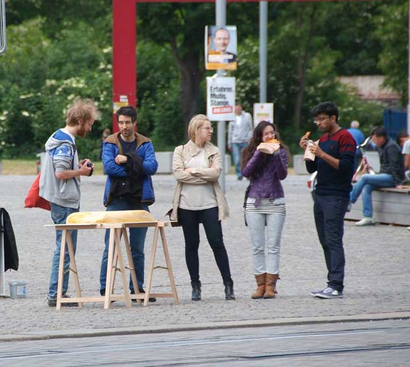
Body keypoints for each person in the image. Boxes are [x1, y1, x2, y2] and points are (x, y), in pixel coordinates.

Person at [39, 98, 99, 307]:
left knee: (65, 248)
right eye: (89, 124)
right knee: (65, 249)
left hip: (61, 200)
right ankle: (56, 294)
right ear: (80, 121)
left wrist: (77, 166)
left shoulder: (60, 138)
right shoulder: (65, 143)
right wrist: (81, 171)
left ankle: (58, 293)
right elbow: (61, 173)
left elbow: (63, 168)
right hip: (64, 202)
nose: (90, 129)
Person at [169, 114, 234, 301]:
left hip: (210, 204)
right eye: (207, 128)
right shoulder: (180, 151)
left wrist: (194, 171)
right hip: (187, 205)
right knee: (191, 245)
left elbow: (215, 174)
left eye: (211, 127)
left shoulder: (214, 151)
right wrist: (204, 174)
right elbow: (179, 175)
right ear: (196, 130)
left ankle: (228, 283)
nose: (211, 131)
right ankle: (195, 285)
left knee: (217, 243)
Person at [99, 106, 158, 300]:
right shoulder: (110, 142)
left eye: (127, 122)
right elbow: (109, 168)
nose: (124, 126)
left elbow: (152, 167)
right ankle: (105, 288)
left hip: (140, 200)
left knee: (137, 249)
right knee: (110, 247)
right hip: (116, 200)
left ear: (134, 123)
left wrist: (127, 160)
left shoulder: (145, 143)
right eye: (121, 122)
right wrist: (136, 168)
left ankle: (137, 289)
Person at [299, 101, 356, 299]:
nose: (318, 123)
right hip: (320, 194)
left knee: (333, 240)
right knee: (325, 241)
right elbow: (313, 168)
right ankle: (331, 283)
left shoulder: (345, 137)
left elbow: (346, 167)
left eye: (322, 119)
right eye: (316, 120)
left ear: (333, 118)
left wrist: (322, 154)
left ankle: (336, 285)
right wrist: (308, 152)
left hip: (336, 196)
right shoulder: (323, 139)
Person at [240, 121, 289, 299]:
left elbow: (282, 175)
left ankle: (270, 286)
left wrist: (275, 155)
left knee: (273, 246)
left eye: (272, 133)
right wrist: (260, 153)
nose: (270, 136)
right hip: (255, 202)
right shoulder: (250, 151)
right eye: (266, 133)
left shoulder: (281, 151)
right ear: (259, 136)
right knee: (257, 246)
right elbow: (246, 172)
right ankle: (260, 285)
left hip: (276, 201)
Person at [350, 127, 404, 226]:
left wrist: (398, 183)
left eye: (375, 139)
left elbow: (395, 166)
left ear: (381, 138)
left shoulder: (391, 147)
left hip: (392, 177)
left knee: (364, 177)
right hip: (384, 175)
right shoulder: (381, 146)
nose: (374, 142)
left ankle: (349, 200)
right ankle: (368, 217)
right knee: (366, 187)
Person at [228, 102, 253, 180]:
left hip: (244, 140)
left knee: (246, 158)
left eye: (238, 108)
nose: (237, 110)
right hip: (235, 141)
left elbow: (250, 128)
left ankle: (247, 173)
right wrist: (229, 143)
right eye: (236, 109)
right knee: (237, 159)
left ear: (241, 108)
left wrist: (249, 138)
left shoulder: (247, 116)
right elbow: (230, 131)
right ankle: (239, 174)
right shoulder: (232, 117)